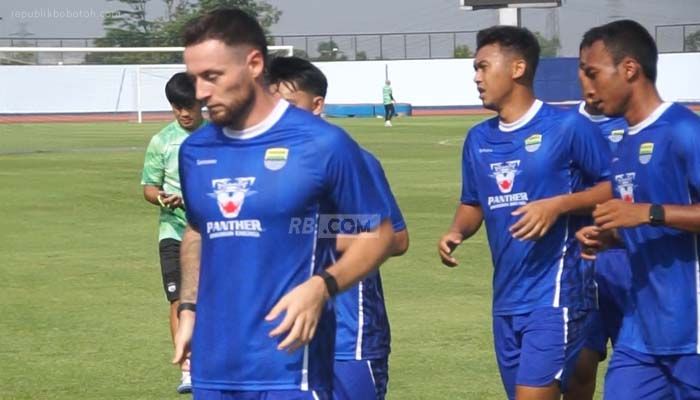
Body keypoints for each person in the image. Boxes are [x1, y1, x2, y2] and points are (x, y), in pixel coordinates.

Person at [172, 9, 395, 400]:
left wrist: (322, 286)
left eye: (212, 76)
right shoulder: (195, 151)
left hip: (292, 371)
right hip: (213, 370)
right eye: (195, 79)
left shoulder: (322, 143)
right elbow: (195, 231)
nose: (201, 92)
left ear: (254, 63)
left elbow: (379, 233)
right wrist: (188, 308)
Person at [436, 25, 613, 400]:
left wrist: (559, 205)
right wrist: (456, 231)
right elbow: (472, 202)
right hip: (506, 298)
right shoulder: (478, 139)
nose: (476, 77)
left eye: (483, 66)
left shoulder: (567, 127)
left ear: (517, 68)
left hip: (557, 293)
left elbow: (616, 186)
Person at [268, 55, 409, 400]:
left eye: (289, 106)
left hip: (350, 334)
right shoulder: (265, 166)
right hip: (287, 333)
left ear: (317, 105)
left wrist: (310, 232)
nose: (277, 116)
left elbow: (396, 237)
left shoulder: (352, 159)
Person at [576, 19, 700, 399]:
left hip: (692, 332)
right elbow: (644, 226)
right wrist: (610, 237)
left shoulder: (684, 131)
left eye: (593, 73)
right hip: (641, 332)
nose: (587, 88)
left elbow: (650, 215)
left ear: (630, 68)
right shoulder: (623, 144)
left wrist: (648, 213)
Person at [140, 71, 205, 394]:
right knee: (179, 298)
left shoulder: (220, 135)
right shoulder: (162, 141)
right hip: (174, 231)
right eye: (177, 106)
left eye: (188, 105)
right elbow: (148, 187)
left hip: (213, 232)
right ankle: (188, 367)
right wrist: (162, 197)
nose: (183, 112)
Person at [566, 79, 631, 400]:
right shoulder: (564, 126)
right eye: (584, 70)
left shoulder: (635, 123)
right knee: (579, 368)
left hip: (630, 261)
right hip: (579, 262)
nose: (589, 80)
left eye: (597, 70)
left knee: (636, 366)